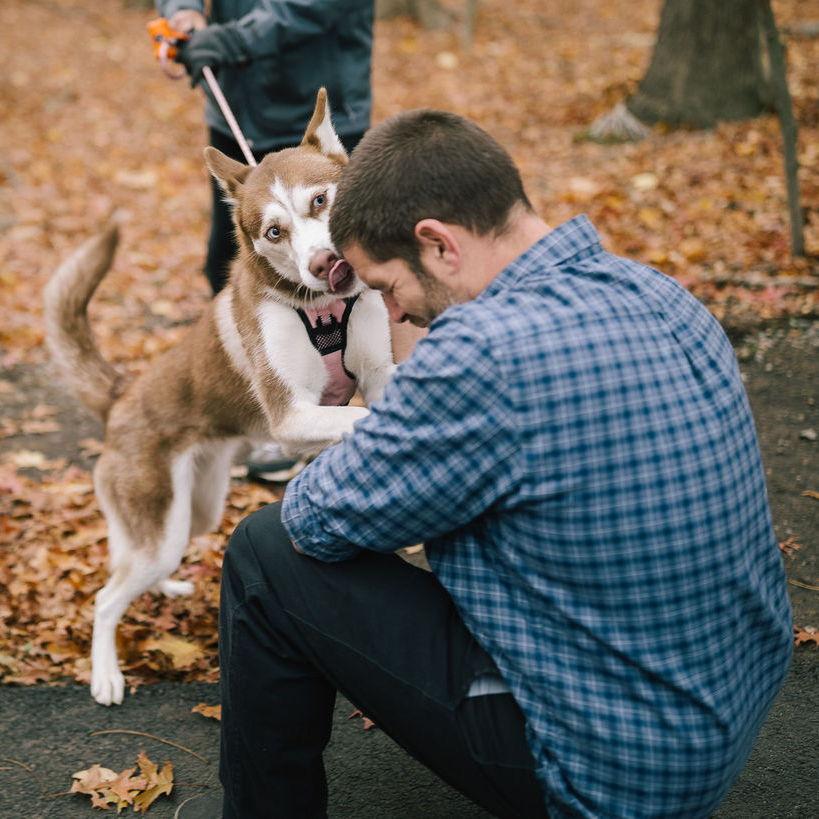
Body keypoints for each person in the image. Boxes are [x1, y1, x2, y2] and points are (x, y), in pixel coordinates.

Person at [216, 111, 793, 818]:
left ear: (437, 244)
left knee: (264, 550)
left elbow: (315, 520)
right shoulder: (657, 291)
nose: (393, 313)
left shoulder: (482, 355)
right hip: (724, 707)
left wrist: (399, 393)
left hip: (609, 776)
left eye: (387, 287)